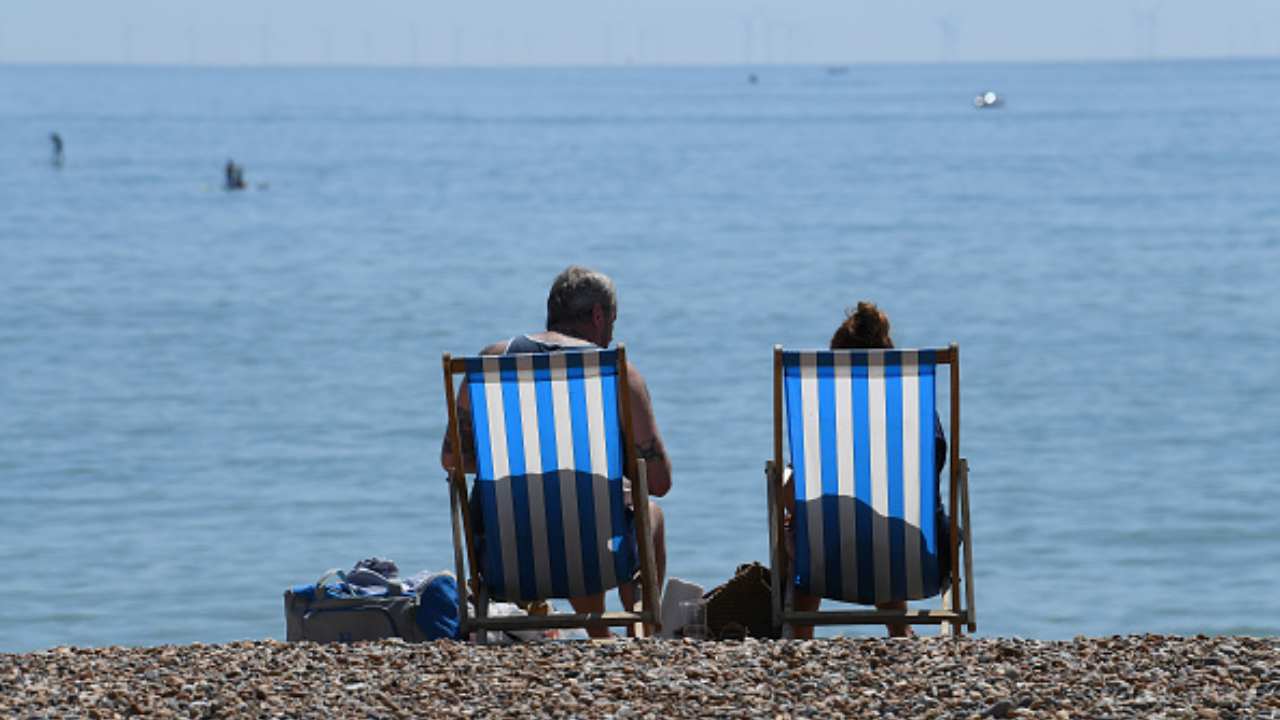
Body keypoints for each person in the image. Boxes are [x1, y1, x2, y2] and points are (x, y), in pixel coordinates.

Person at [441, 265, 671, 638]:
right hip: (596, 557)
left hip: (505, 556)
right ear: (599, 316)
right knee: (639, 510)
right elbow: (659, 481)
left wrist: (521, 465)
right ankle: (639, 637)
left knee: (551, 502)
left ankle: (600, 636)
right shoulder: (618, 373)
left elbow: (451, 459)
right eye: (613, 320)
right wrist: (606, 475)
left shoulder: (491, 361)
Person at [787, 301, 950, 639]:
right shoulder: (917, 414)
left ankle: (800, 634)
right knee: (884, 523)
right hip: (913, 558)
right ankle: (899, 630)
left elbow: (792, 491)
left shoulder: (823, 418)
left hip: (826, 557)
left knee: (816, 520)